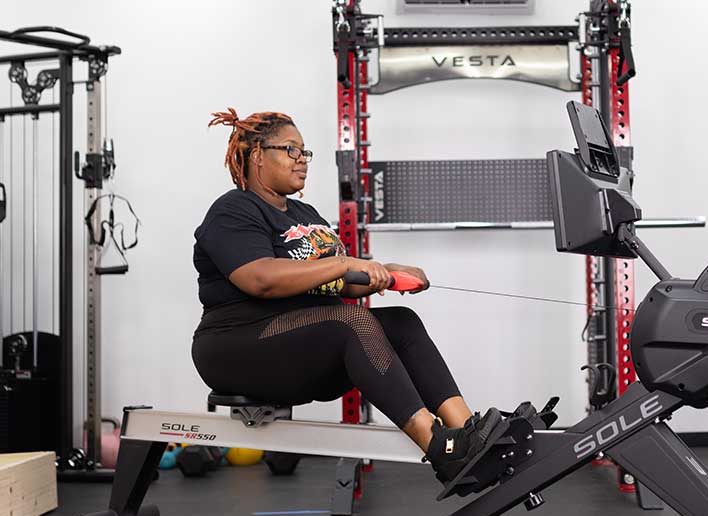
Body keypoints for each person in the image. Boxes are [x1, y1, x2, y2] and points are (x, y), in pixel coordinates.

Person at [192, 108, 501, 486]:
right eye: (290, 150)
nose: (301, 161)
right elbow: (261, 279)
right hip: (239, 344)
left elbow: (341, 279)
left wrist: (387, 272)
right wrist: (345, 265)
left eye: (304, 153)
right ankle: (441, 448)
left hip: (308, 345)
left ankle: (471, 434)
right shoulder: (233, 209)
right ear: (257, 154)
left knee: (400, 321)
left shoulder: (305, 214)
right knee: (350, 320)